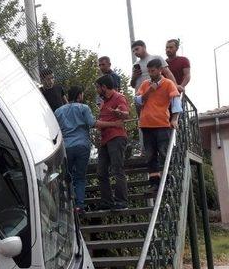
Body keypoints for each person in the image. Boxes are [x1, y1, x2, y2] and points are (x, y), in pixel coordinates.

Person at [54, 85, 124, 213]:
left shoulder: (58, 111)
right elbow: (93, 123)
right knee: (80, 177)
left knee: (66, 176)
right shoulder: (84, 108)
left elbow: (55, 129)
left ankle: (65, 204)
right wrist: (114, 124)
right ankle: (79, 205)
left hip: (66, 147)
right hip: (82, 146)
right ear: (80, 95)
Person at [135, 58, 183, 194]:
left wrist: (174, 119)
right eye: (149, 71)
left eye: (153, 71)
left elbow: (176, 103)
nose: (151, 73)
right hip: (146, 124)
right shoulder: (145, 84)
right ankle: (154, 184)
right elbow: (138, 100)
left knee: (163, 153)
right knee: (150, 156)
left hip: (162, 124)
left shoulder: (168, 84)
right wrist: (150, 90)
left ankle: (167, 182)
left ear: (160, 70)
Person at [95, 75, 130, 210]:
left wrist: (119, 113)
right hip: (105, 140)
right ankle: (107, 202)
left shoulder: (118, 97)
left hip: (116, 137)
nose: (97, 90)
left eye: (98, 87)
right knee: (101, 172)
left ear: (104, 87)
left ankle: (122, 202)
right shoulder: (104, 102)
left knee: (117, 168)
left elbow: (125, 113)